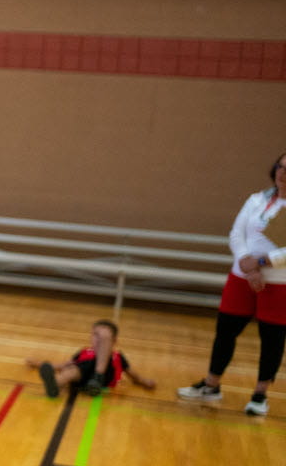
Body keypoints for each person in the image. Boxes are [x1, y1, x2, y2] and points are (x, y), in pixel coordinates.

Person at [177, 152, 286, 417]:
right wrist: (246, 263)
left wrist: (262, 263)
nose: (283, 172)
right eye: (281, 166)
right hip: (241, 277)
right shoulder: (257, 199)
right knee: (225, 332)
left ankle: (260, 395)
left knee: (271, 340)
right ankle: (211, 386)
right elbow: (236, 233)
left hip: (279, 283)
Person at [26, 319, 155, 398]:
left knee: (75, 368)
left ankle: (97, 379)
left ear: (113, 340)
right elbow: (63, 365)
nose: (97, 338)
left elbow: (133, 376)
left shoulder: (117, 357)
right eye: (94, 335)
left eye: (102, 337)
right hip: (83, 379)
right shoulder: (84, 352)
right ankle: (54, 387)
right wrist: (39, 364)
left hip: (104, 377)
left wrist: (144, 381)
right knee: (71, 371)